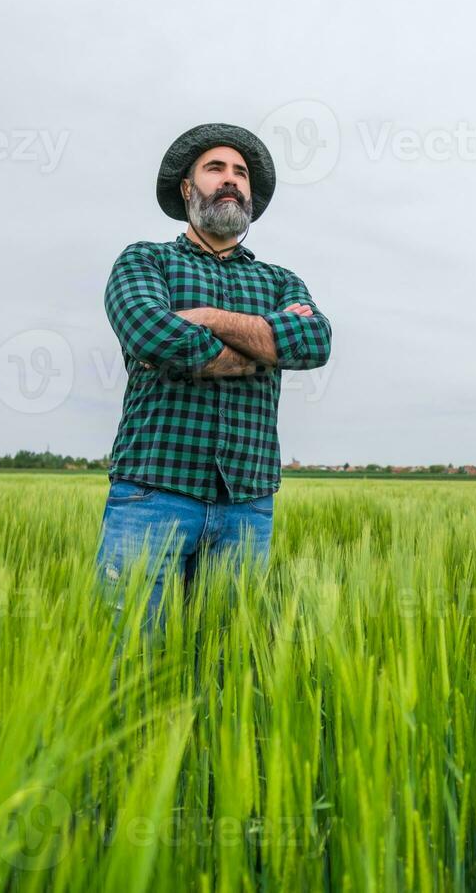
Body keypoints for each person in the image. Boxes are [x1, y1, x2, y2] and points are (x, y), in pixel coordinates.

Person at [96, 122, 333, 635]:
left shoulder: (279, 280)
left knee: (228, 673)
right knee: (131, 662)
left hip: (247, 502)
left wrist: (205, 316)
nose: (232, 180)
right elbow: (151, 335)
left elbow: (315, 344)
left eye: (241, 173)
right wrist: (262, 349)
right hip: (153, 493)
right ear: (188, 188)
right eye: (216, 168)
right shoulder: (145, 260)